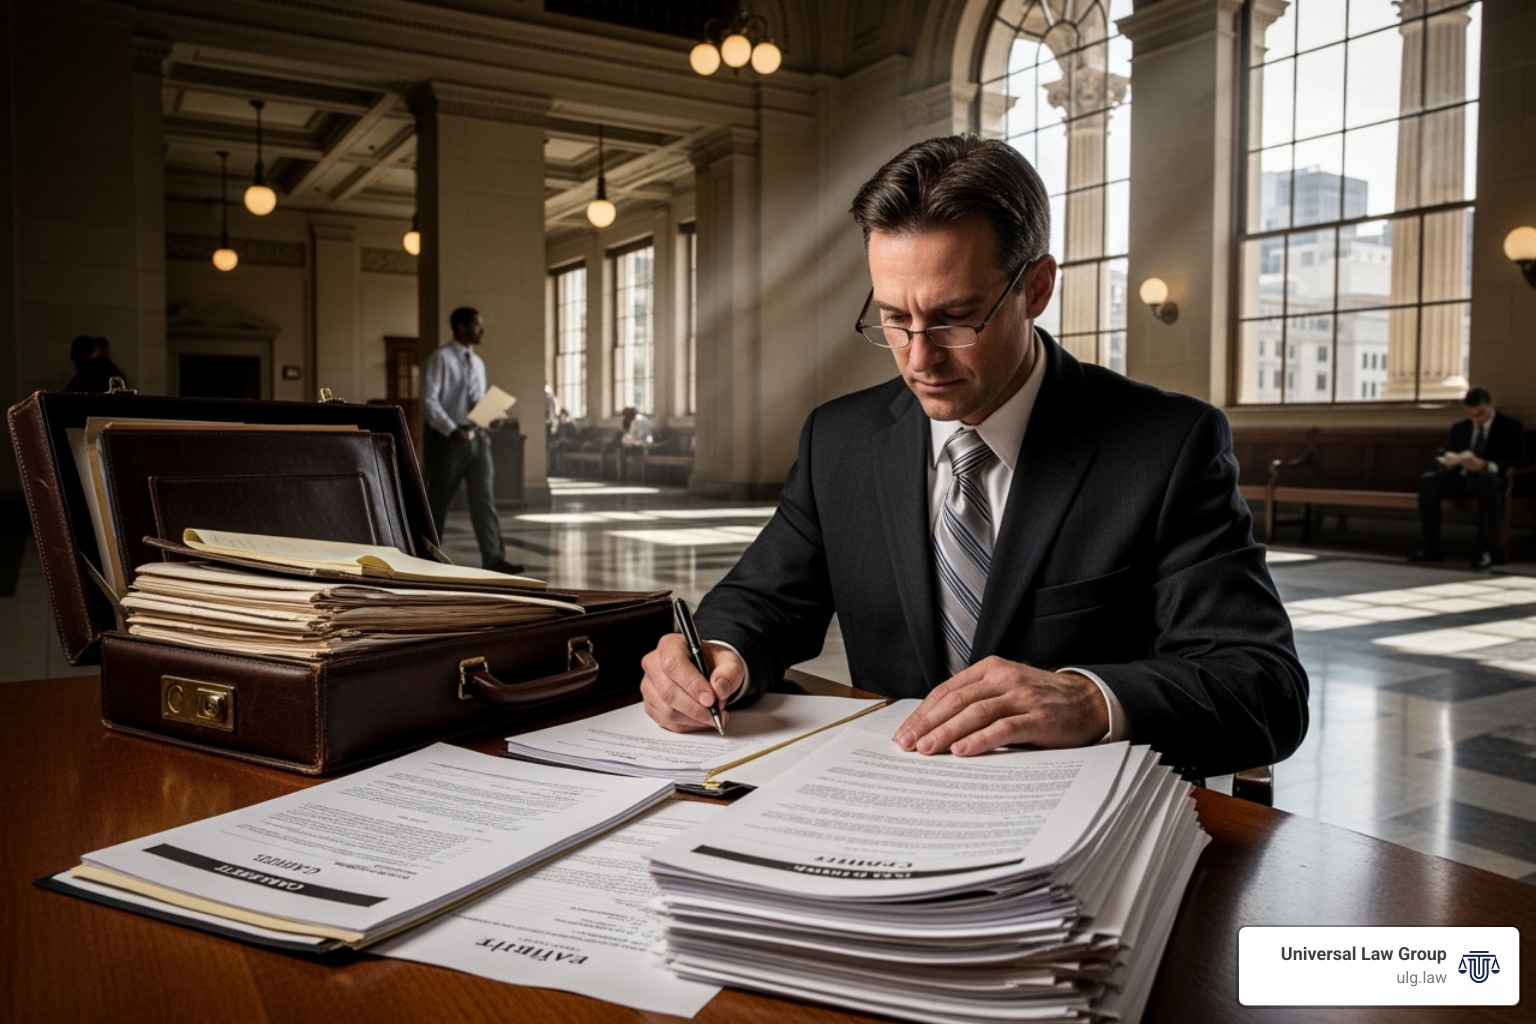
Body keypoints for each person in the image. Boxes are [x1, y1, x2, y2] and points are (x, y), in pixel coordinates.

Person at [639, 135, 1308, 779]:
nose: (920, 358)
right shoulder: (837, 440)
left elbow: (1263, 686)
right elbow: (765, 600)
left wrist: (1091, 699)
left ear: (1037, 288)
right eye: (895, 319)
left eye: (955, 318)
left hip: (1081, 831)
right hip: (885, 806)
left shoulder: (1166, 444)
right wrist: (716, 653)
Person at [418, 307, 523, 575]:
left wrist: (491, 418)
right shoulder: (440, 358)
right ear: (462, 327)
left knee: (484, 499)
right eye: (478, 325)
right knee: (438, 500)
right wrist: (451, 429)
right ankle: (424, 559)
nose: (482, 331)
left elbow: (476, 401)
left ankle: (494, 558)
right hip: (447, 440)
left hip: (478, 439)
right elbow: (429, 401)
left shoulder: (478, 363)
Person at [1410, 386, 1527, 570]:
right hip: (1461, 478)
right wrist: (1448, 462)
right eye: (1471, 415)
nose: (1476, 419)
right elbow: (1448, 454)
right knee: (1428, 482)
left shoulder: (1510, 427)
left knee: (1488, 482)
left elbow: (1521, 461)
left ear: (1491, 405)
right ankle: (1432, 548)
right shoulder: (1461, 428)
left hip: (1491, 480)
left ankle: (1484, 551)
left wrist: (1487, 465)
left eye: (1480, 414)